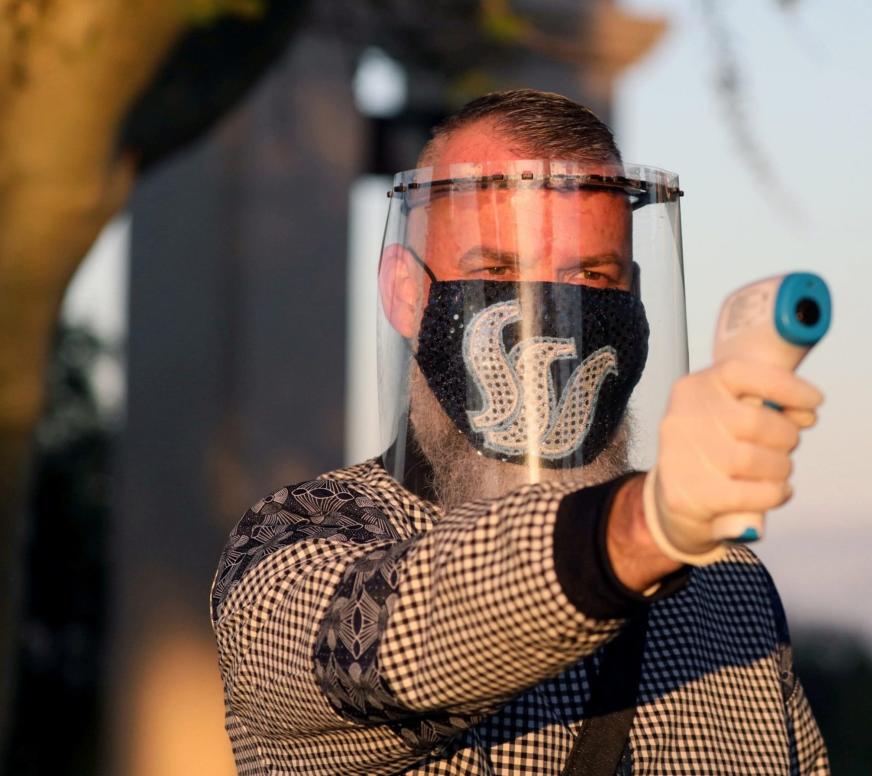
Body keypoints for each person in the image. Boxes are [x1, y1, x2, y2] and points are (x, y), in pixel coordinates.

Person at [211, 89, 829, 775]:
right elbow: (377, 651)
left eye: (592, 276)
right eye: (497, 271)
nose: (551, 319)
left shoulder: (728, 590)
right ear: (405, 293)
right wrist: (644, 527)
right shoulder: (296, 536)